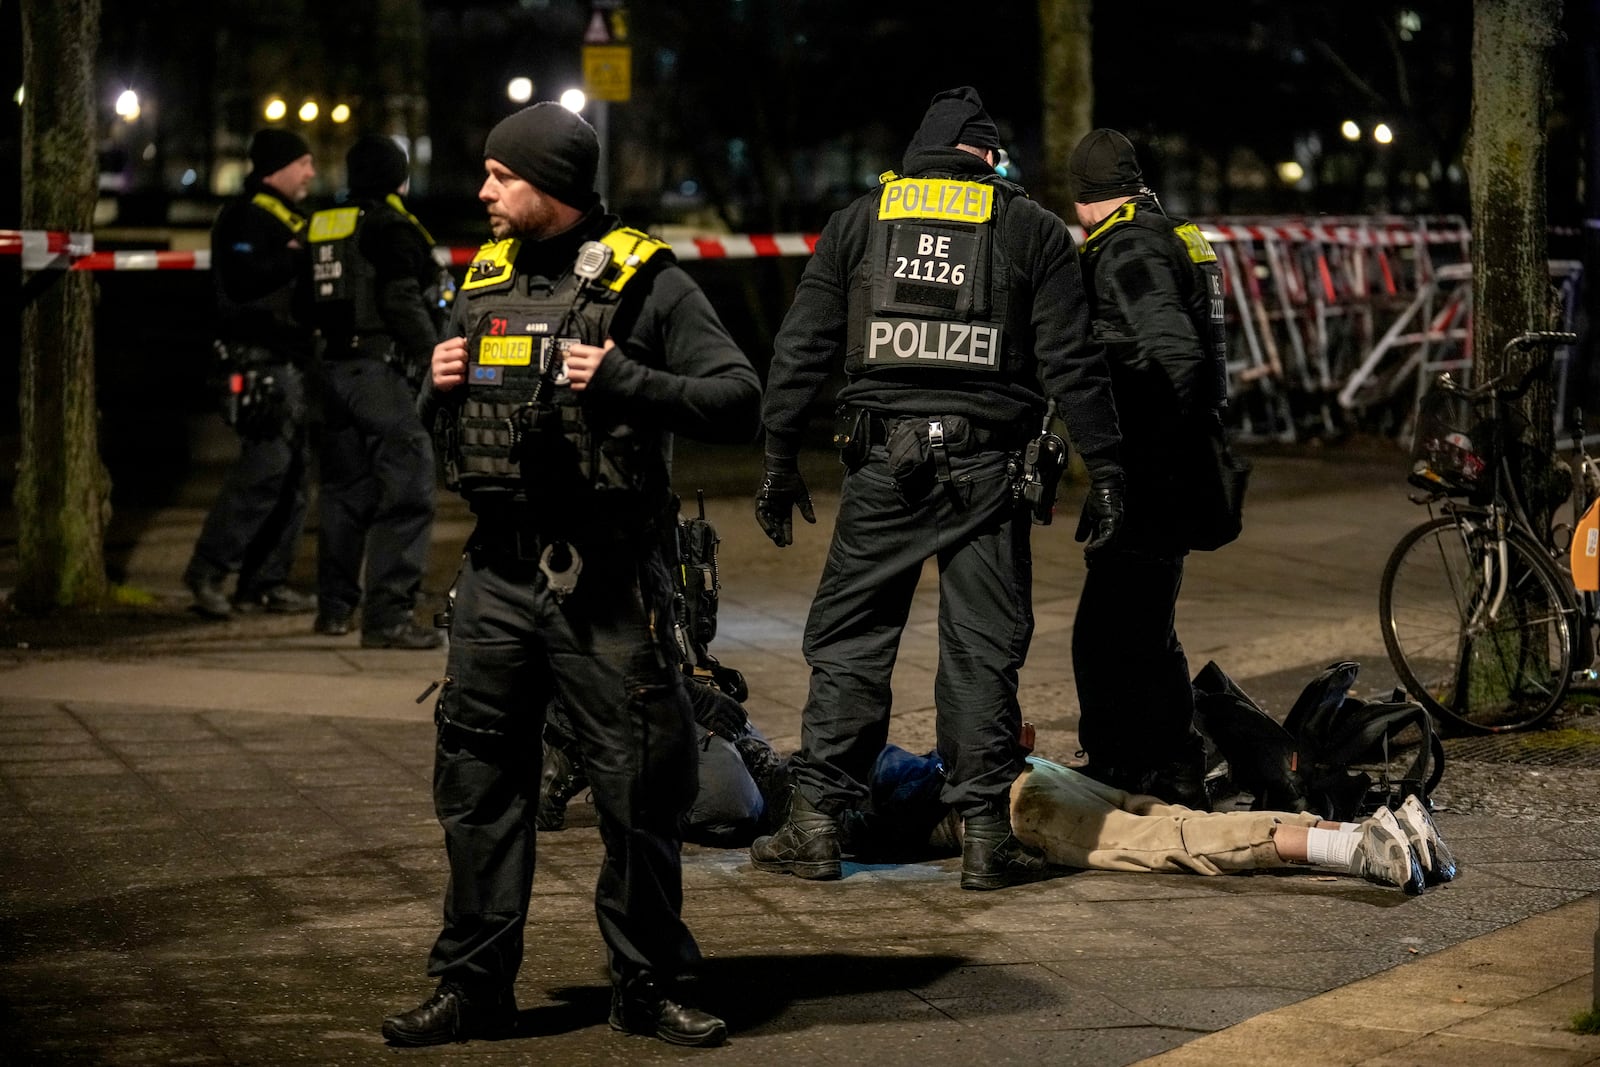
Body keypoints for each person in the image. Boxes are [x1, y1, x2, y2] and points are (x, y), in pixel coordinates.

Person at [381, 102, 760, 1051]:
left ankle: (649, 984)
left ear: (548, 183)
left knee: (639, 789)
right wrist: (436, 382)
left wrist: (631, 380)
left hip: (607, 582)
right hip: (498, 578)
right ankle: (473, 988)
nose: (483, 192)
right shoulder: (485, 276)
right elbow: (447, 429)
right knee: (476, 784)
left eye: (499, 176)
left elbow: (737, 398)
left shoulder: (648, 283)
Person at [749, 86, 1126, 892]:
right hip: (987, 473)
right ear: (987, 155)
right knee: (981, 650)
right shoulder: (1029, 229)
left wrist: (779, 455)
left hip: (882, 467)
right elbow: (1074, 365)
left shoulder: (860, 222)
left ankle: (815, 823)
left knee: (852, 641)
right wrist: (1111, 469)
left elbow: (802, 345)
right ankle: (986, 836)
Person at [1065, 128, 1230, 808]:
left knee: (1106, 631)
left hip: (1153, 473)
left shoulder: (1128, 247)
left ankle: (1128, 763)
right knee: (1140, 625)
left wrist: (1145, 444)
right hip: (1177, 469)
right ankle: (1169, 761)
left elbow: (1174, 353)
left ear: (1084, 198)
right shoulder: (1171, 232)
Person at [307, 134, 447, 649]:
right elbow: (401, 297)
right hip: (377, 371)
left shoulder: (326, 222)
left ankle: (334, 609)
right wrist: (434, 355)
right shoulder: (392, 225)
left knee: (345, 493)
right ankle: (388, 617)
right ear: (399, 178)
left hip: (330, 370)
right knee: (409, 490)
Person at [183, 129, 320, 620]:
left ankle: (263, 584)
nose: (311, 172)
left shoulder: (290, 217)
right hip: (259, 360)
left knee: (294, 476)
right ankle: (207, 572)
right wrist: (293, 256)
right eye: (303, 163)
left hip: (290, 359)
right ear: (277, 167)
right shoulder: (246, 215)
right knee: (264, 470)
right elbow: (242, 279)